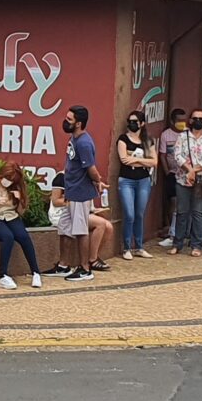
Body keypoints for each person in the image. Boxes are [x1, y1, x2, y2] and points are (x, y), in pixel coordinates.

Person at [55, 104, 113, 280]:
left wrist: (98, 181)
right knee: (64, 228)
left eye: (69, 120)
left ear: (78, 123)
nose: (66, 122)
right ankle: (63, 266)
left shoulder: (84, 143)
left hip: (80, 193)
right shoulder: (74, 138)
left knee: (80, 231)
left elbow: (91, 168)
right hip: (71, 191)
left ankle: (85, 268)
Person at [0, 159, 42, 288]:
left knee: (23, 237)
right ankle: (3, 276)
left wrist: (20, 201)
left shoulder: (15, 186)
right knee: (8, 236)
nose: (8, 182)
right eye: (7, 179)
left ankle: (36, 272)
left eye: (12, 180)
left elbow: (20, 212)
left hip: (11, 216)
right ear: (1, 175)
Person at [170, 108, 202, 256]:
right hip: (182, 180)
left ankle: (196, 245)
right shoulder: (183, 136)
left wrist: (193, 171)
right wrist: (188, 169)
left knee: (198, 213)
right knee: (182, 212)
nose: (198, 121)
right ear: (190, 120)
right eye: (195, 118)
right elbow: (177, 155)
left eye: (201, 119)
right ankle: (177, 243)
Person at [114, 111, 157, 259]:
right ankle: (126, 247)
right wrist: (143, 160)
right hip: (126, 180)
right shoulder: (123, 139)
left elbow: (154, 161)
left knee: (139, 214)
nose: (132, 124)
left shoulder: (147, 140)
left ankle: (139, 246)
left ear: (142, 124)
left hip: (143, 180)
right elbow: (124, 159)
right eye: (130, 121)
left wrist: (136, 160)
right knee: (129, 214)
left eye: (135, 121)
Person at [155, 106, 185, 251]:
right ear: (172, 121)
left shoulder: (187, 134)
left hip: (185, 173)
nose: (182, 123)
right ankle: (169, 228)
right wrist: (167, 172)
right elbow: (162, 154)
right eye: (179, 120)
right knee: (172, 201)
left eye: (183, 120)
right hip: (172, 173)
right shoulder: (166, 135)